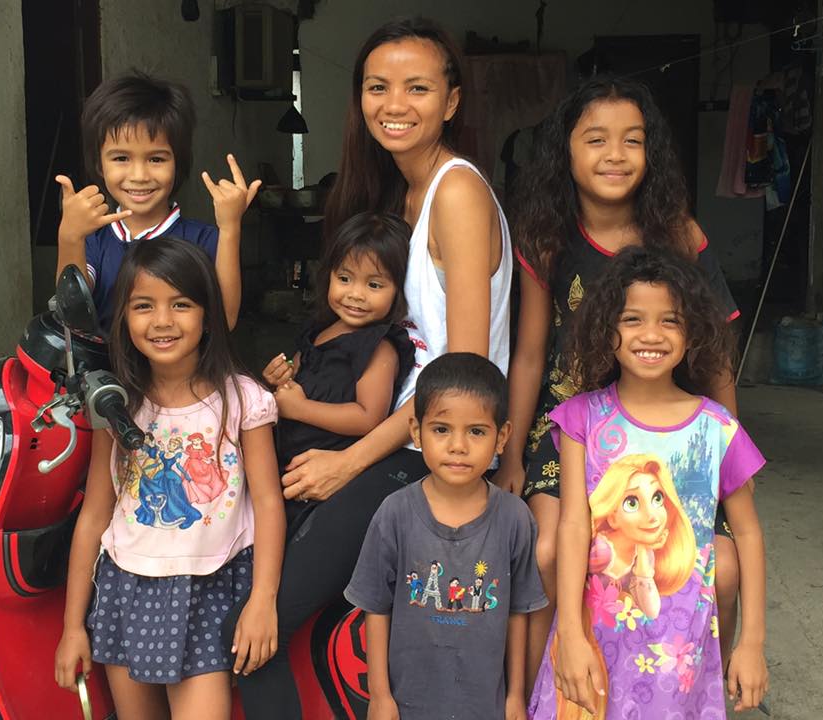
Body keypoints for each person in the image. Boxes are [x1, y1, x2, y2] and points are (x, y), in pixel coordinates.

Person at [226, 17, 513, 719]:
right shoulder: (401, 197)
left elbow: (463, 380)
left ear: (451, 101)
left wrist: (349, 462)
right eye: (377, 86)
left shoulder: (457, 194)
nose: (395, 103)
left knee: (252, 632)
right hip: (396, 436)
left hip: (421, 453)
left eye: (418, 87)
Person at [502, 75, 745, 686]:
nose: (615, 155)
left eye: (632, 141)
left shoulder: (679, 234)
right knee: (551, 551)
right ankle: (547, 692)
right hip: (573, 423)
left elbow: (715, 354)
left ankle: (705, 681)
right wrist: (510, 454)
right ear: (566, 151)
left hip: (665, 428)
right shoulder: (546, 237)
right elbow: (531, 355)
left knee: (726, 569)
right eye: (596, 140)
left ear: (650, 152)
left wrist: (725, 449)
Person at [527, 247, 768, 718]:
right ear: (606, 328)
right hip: (594, 642)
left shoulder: (717, 429)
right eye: (633, 318)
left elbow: (750, 534)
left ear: (693, 329)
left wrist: (752, 642)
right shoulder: (581, 418)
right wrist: (571, 636)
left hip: (680, 658)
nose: (651, 335)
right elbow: (575, 526)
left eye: (670, 321)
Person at [54, 238, 285, 720]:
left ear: (208, 314)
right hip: (126, 589)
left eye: (181, 304)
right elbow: (96, 511)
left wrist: (263, 600)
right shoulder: (114, 402)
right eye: (144, 306)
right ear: (124, 317)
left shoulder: (242, 399)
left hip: (211, 587)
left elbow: (267, 503)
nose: (162, 321)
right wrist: (73, 625)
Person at [346, 352, 547, 720]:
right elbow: (375, 607)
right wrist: (380, 695)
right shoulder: (395, 513)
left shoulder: (515, 518)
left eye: (476, 431)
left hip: (484, 705)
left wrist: (517, 694)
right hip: (408, 705)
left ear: (502, 437)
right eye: (441, 429)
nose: (458, 446)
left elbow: (519, 612)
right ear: (416, 433)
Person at [55, 70, 260, 331]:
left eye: (156, 159)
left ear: (179, 163)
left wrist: (231, 227)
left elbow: (225, 322)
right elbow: (71, 315)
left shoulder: (205, 241)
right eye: (121, 158)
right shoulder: (94, 243)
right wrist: (70, 237)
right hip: (104, 372)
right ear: (99, 163)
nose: (139, 176)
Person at [260, 211, 416, 480]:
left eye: (374, 284)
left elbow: (369, 417)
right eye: (344, 279)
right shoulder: (320, 328)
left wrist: (300, 409)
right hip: (289, 464)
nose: (355, 294)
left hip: (332, 474)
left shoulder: (380, 347)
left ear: (399, 290)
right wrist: (277, 378)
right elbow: (293, 378)